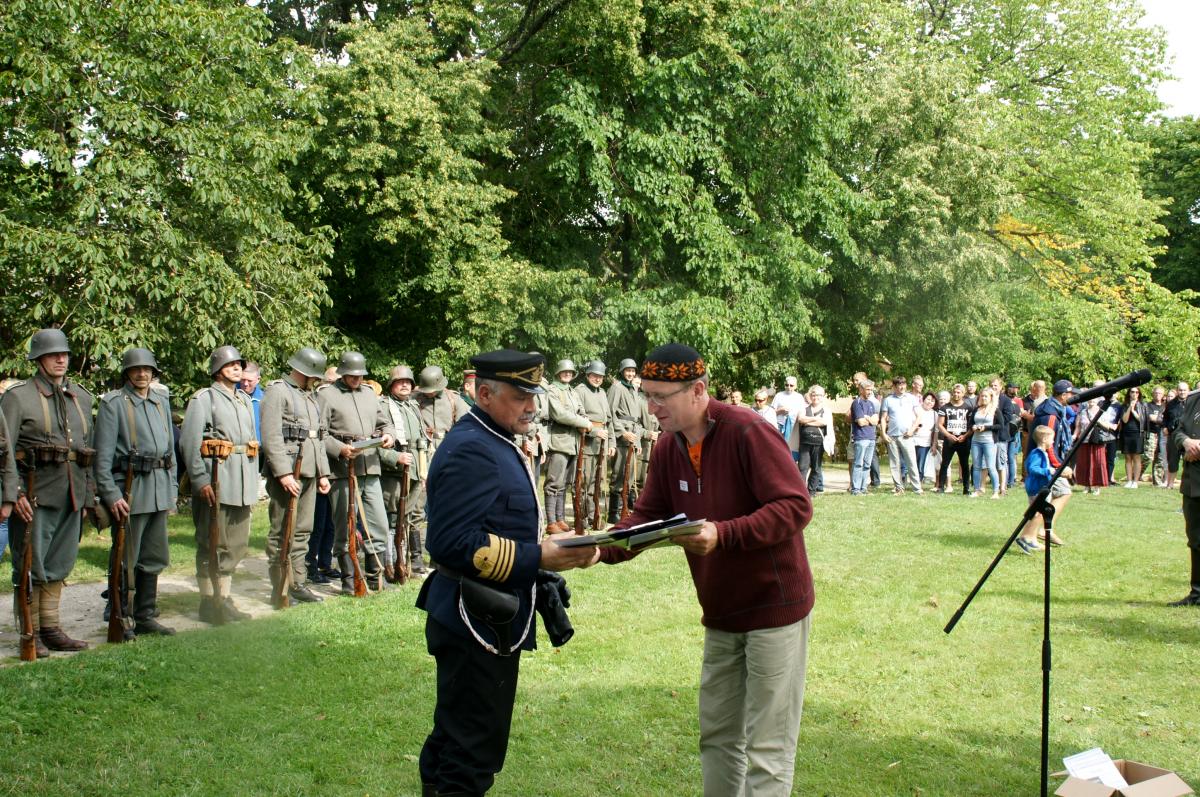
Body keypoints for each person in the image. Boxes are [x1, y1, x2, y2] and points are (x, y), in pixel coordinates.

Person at [593, 343, 814, 797]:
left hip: (775, 608)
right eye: (646, 396)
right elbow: (648, 516)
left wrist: (724, 534)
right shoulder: (669, 446)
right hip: (721, 611)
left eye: (660, 397)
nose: (650, 408)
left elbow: (795, 506)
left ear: (697, 391)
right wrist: (596, 547)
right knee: (717, 737)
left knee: (768, 748)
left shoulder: (748, 430)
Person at [416, 349, 597, 795]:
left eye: (534, 395)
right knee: (470, 752)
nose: (532, 406)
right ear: (484, 393)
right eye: (520, 396)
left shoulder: (492, 439)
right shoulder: (474, 448)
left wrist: (540, 569)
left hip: (487, 613)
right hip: (472, 617)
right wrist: (539, 558)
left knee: (456, 740)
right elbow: (451, 542)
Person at [2, 329, 95, 655]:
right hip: (35, 496)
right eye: (53, 354)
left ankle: (51, 627)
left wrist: (87, 496)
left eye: (64, 354)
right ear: (38, 359)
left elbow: (87, 451)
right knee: (31, 564)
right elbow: (4, 450)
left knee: (60, 562)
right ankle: (30, 632)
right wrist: (13, 494)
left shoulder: (81, 397)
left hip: (71, 493)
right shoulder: (17, 397)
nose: (60, 359)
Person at [93, 347, 179, 636]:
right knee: (126, 558)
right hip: (131, 491)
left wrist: (172, 488)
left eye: (147, 369)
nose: (142, 374)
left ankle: (145, 615)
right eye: (136, 369)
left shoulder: (160, 401)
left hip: (158, 488)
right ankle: (121, 614)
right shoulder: (114, 404)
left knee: (154, 556)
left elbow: (170, 452)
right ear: (127, 373)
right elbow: (101, 459)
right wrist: (111, 495)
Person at [180, 345, 259, 624]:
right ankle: (208, 601)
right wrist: (201, 480)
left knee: (236, 544)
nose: (237, 368)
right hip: (217, 480)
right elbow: (189, 444)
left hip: (242, 481)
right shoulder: (204, 399)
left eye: (239, 364)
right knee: (211, 542)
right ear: (217, 369)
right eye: (231, 364)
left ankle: (223, 598)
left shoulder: (244, 400)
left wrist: (253, 482)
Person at [318, 352, 396, 594]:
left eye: (360, 375)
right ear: (343, 373)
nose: (356, 379)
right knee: (345, 525)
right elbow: (319, 433)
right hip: (342, 469)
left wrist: (388, 435)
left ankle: (375, 578)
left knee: (379, 524)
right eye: (352, 375)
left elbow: (385, 423)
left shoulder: (369, 394)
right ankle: (350, 581)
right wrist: (339, 449)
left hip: (370, 466)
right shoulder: (326, 395)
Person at [260, 348, 332, 605]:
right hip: (289, 471)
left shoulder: (311, 396)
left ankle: (298, 582)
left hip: (310, 470)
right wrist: (283, 473)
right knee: (282, 531)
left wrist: (324, 473)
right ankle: (279, 585)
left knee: (302, 530)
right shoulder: (278, 391)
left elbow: (319, 437)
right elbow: (271, 436)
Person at [379, 365, 431, 578]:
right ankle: (390, 566)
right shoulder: (382, 406)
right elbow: (377, 442)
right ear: (392, 385)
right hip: (394, 472)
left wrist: (424, 471)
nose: (405, 385)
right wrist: (395, 458)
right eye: (400, 382)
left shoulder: (412, 407)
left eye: (408, 382)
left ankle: (408, 563)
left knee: (409, 517)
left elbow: (421, 441)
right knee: (393, 519)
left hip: (416, 471)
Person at [543, 359, 593, 532]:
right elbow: (560, 414)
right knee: (553, 482)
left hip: (573, 443)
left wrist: (583, 419)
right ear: (558, 373)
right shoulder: (553, 390)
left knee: (564, 483)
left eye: (570, 372)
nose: (568, 374)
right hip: (559, 441)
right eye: (565, 372)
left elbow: (581, 411)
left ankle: (560, 519)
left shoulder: (572, 391)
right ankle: (551, 522)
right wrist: (582, 421)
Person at [1016, 425, 1072, 553]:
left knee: (1037, 513)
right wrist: (1050, 471)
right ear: (1045, 439)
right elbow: (1032, 469)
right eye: (1052, 439)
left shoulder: (1042, 453)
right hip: (1036, 488)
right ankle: (1026, 538)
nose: (1053, 442)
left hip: (1041, 488)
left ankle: (1032, 539)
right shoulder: (1037, 453)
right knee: (1037, 512)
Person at [1169, 383, 1200, 606]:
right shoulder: (1192, 399)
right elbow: (1178, 431)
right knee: (1196, 540)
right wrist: (1186, 442)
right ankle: (1197, 593)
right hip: (1194, 482)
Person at [574, 361, 615, 527]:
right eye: (594, 375)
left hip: (602, 444)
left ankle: (594, 516)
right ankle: (581, 516)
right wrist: (593, 432)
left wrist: (611, 441)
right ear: (588, 375)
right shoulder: (580, 391)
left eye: (600, 376)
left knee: (597, 482)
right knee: (584, 481)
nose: (597, 379)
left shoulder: (603, 393)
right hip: (587, 443)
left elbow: (609, 420)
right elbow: (577, 417)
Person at [607, 358, 643, 522]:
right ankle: (614, 513)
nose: (630, 373)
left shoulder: (634, 389)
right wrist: (621, 433)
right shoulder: (617, 387)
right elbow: (611, 414)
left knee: (629, 476)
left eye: (633, 371)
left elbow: (636, 420)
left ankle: (625, 510)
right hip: (622, 437)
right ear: (622, 371)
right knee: (619, 474)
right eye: (628, 371)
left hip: (633, 435)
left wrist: (638, 442)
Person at [415, 365, 470, 459]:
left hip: (449, 449)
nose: (429, 392)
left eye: (432, 389)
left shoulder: (454, 400)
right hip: (423, 451)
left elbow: (466, 428)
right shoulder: (415, 399)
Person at [879, 376, 922, 494]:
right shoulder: (888, 400)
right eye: (899, 385)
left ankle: (917, 489)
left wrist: (912, 430)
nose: (902, 387)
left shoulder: (912, 398)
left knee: (912, 462)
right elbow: (883, 418)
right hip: (892, 436)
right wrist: (883, 433)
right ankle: (899, 488)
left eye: (903, 384)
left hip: (906, 436)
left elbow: (919, 416)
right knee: (894, 464)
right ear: (894, 386)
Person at [793, 384, 834, 494]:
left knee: (816, 468)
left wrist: (809, 421)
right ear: (810, 396)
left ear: (823, 396)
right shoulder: (804, 408)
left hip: (818, 443)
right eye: (814, 395)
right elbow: (801, 419)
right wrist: (816, 419)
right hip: (805, 442)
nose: (816, 397)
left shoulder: (826, 410)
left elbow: (824, 422)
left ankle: (811, 491)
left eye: (819, 395)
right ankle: (801, 491)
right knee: (802, 467)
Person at [1073, 383, 1111, 496]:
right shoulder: (1082, 412)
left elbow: (1108, 426)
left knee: (1098, 463)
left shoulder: (1101, 411)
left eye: (1093, 400)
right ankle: (1086, 485)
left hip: (1097, 441)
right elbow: (1078, 427)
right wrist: (1075, 436)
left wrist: (1098, 421)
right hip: (1084, 441)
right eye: (1090, 400)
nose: (1091, 402)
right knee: (1085, 463)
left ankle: (1097, 486)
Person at [937, 384, 973, 495]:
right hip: (950, 440)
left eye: (959, 392)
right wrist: (948, 435)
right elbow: (940, 424)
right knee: (945, 463)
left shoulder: (968, 408)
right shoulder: (945, 408)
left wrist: (965, 436)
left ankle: (966, 489)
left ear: (963, 394)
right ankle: (941, 487)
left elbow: (971, 426)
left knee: (964, 464)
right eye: (955, 392)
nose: (956, 394)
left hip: (963, 440)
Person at [969, 388, 1003, 498]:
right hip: (976, 441)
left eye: (986, 396)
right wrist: (973, 426)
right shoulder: (976, 410)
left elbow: (1000, 426)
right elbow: (970, 423)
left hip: (989, 441)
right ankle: (977, 490)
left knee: (991, 467)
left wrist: (986, 427)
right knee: (976, 466)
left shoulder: (995, 410)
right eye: (982, 396)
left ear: (991, 398)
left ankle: (995, 492)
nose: (983, 398)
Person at [849, 379, 879, 496]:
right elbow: (860, 422)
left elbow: (876, 421)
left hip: (871, 437)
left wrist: (868, 418)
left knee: (867, 464)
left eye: (871, 389)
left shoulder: (871, 404)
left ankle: (863, 488)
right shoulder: (857, 403)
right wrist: (869, 419)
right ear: (861, 389)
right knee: (858, 463)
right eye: (867, 389)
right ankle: (856, 489)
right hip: (861, 437)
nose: (870, 392)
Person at [1119, 387, 1148, 488]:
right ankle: (1129, 480)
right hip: (1126, 433)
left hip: (1138, 433)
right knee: (1127, 457)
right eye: (1132, 392)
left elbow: (1143, 421)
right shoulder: (1124, 405)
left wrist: (1134, 411)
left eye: (1136, 392)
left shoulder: (1143, 405)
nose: (1134, 394)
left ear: (1139, 394)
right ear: (1129, 393)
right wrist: (1129, 409)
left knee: (1136, 457)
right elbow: (1125, 420)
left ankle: (1135, 481)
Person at [1164, 381, 1190, 490]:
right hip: (1173, 435)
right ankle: (1170, 484)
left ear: (1188, 391)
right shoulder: (1171, 403)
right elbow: (1165, 417)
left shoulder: (1193, 403)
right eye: (1180, 390)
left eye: (1184, 390)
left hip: (1188, 436)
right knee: (1172, 460)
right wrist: (1165, 427)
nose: (1182, 392)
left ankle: (1187, 484)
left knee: (1188, 461)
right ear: (1177, 390)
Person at [1144, 386, 1167, 487]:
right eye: (1156, 393)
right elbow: (1150, 417)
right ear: (1152, 394)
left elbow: (1157, 419)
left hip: (1162, 433)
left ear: (1163, 395)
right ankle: (1135, 476)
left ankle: (1157, 482)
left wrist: (1158, 419)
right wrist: (1163, 420)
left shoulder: (1165, 406)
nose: (1158, 395)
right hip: (1151, 433)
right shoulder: (1148, 405)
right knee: (1148, 457)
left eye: (1160, 393)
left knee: (1160, 457)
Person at [913, 393, 937, 483]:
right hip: (912, 439)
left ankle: (918, 482)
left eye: (932, 401)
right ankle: (904, 480)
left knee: (920, 464)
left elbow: (936, 431)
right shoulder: (916, 409)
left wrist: (934, 444)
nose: (930, 402)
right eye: (928, 399)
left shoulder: (935, 414)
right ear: (923, 399)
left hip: (925, 442)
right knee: (909, 463)